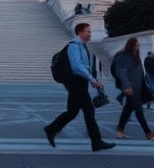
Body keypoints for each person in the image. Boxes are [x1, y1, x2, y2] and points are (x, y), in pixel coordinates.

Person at [43, 22, 115, 152]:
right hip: (75, 83)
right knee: (89, 112)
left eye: (90, 31)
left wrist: (93, 79)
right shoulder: (74, 46)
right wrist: (92, 80)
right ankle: (96, 142)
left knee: (72, 112)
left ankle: (51, 129)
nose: (90, 33)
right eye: (88, 31)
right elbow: (76, 67)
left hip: (79, 83)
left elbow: (84, 66)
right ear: (80, 33)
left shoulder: (81, 46)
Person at [113, 38, 154, 141]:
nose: (137, 46)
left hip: (137, 87)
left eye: (138, 45)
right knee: (139, 111)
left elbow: (139, 71)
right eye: (135, 45)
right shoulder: (126, 57)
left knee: (127, 109)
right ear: (130, 45)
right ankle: (148, 133)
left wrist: (145, 79)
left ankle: (120, 130)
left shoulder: (136, 57)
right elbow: (121, 71)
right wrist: (126, 86)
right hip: (131, 88)